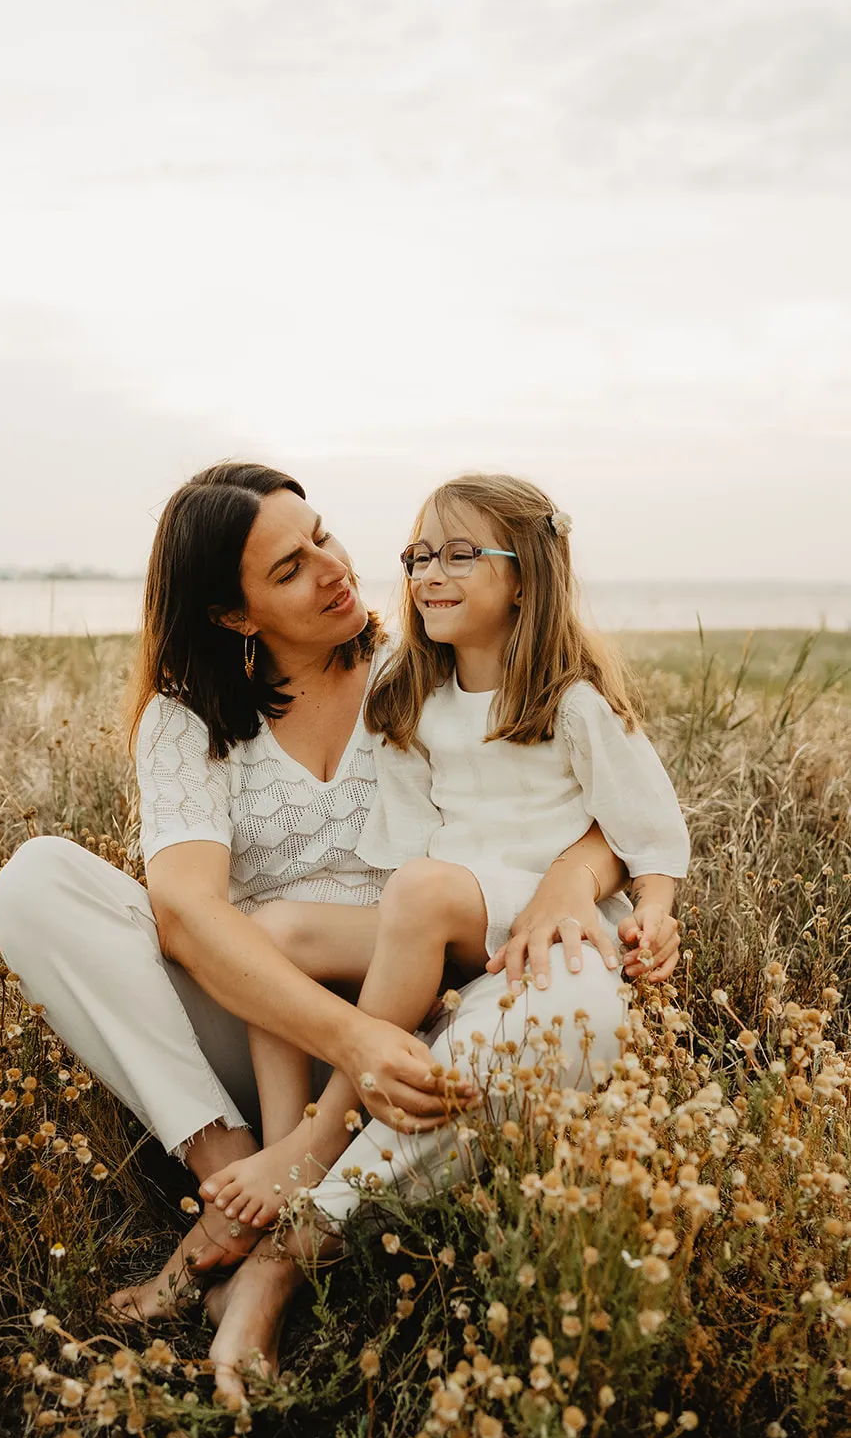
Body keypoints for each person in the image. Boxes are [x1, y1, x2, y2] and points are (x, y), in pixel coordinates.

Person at [0, 461, 679, 1394]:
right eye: (288, 569)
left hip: (430, 1020)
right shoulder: (186, 722)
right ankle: (231, 1178)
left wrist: (570, 875)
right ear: (234, 616)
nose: (332, 567)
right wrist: (350, 1041)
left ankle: (290, 1241)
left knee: (581, 1004)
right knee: (37, 883)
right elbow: (189, 919)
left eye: (322, 534)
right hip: (272, 1033)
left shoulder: (423, 667)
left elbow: (600, 796)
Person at [200, 473, 690, 1231]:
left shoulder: (572, 701)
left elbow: (647, 831)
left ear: (525, 576)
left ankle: (321, 1139)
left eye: (459, 555)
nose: (428, 574)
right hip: (452, 911)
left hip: (539, 917)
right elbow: (405, 851)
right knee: (269, 935)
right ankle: (280, 1134)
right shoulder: (412, 695)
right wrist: (408, 961)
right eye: (417, 556)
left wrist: (654, 913)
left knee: (424, 891)